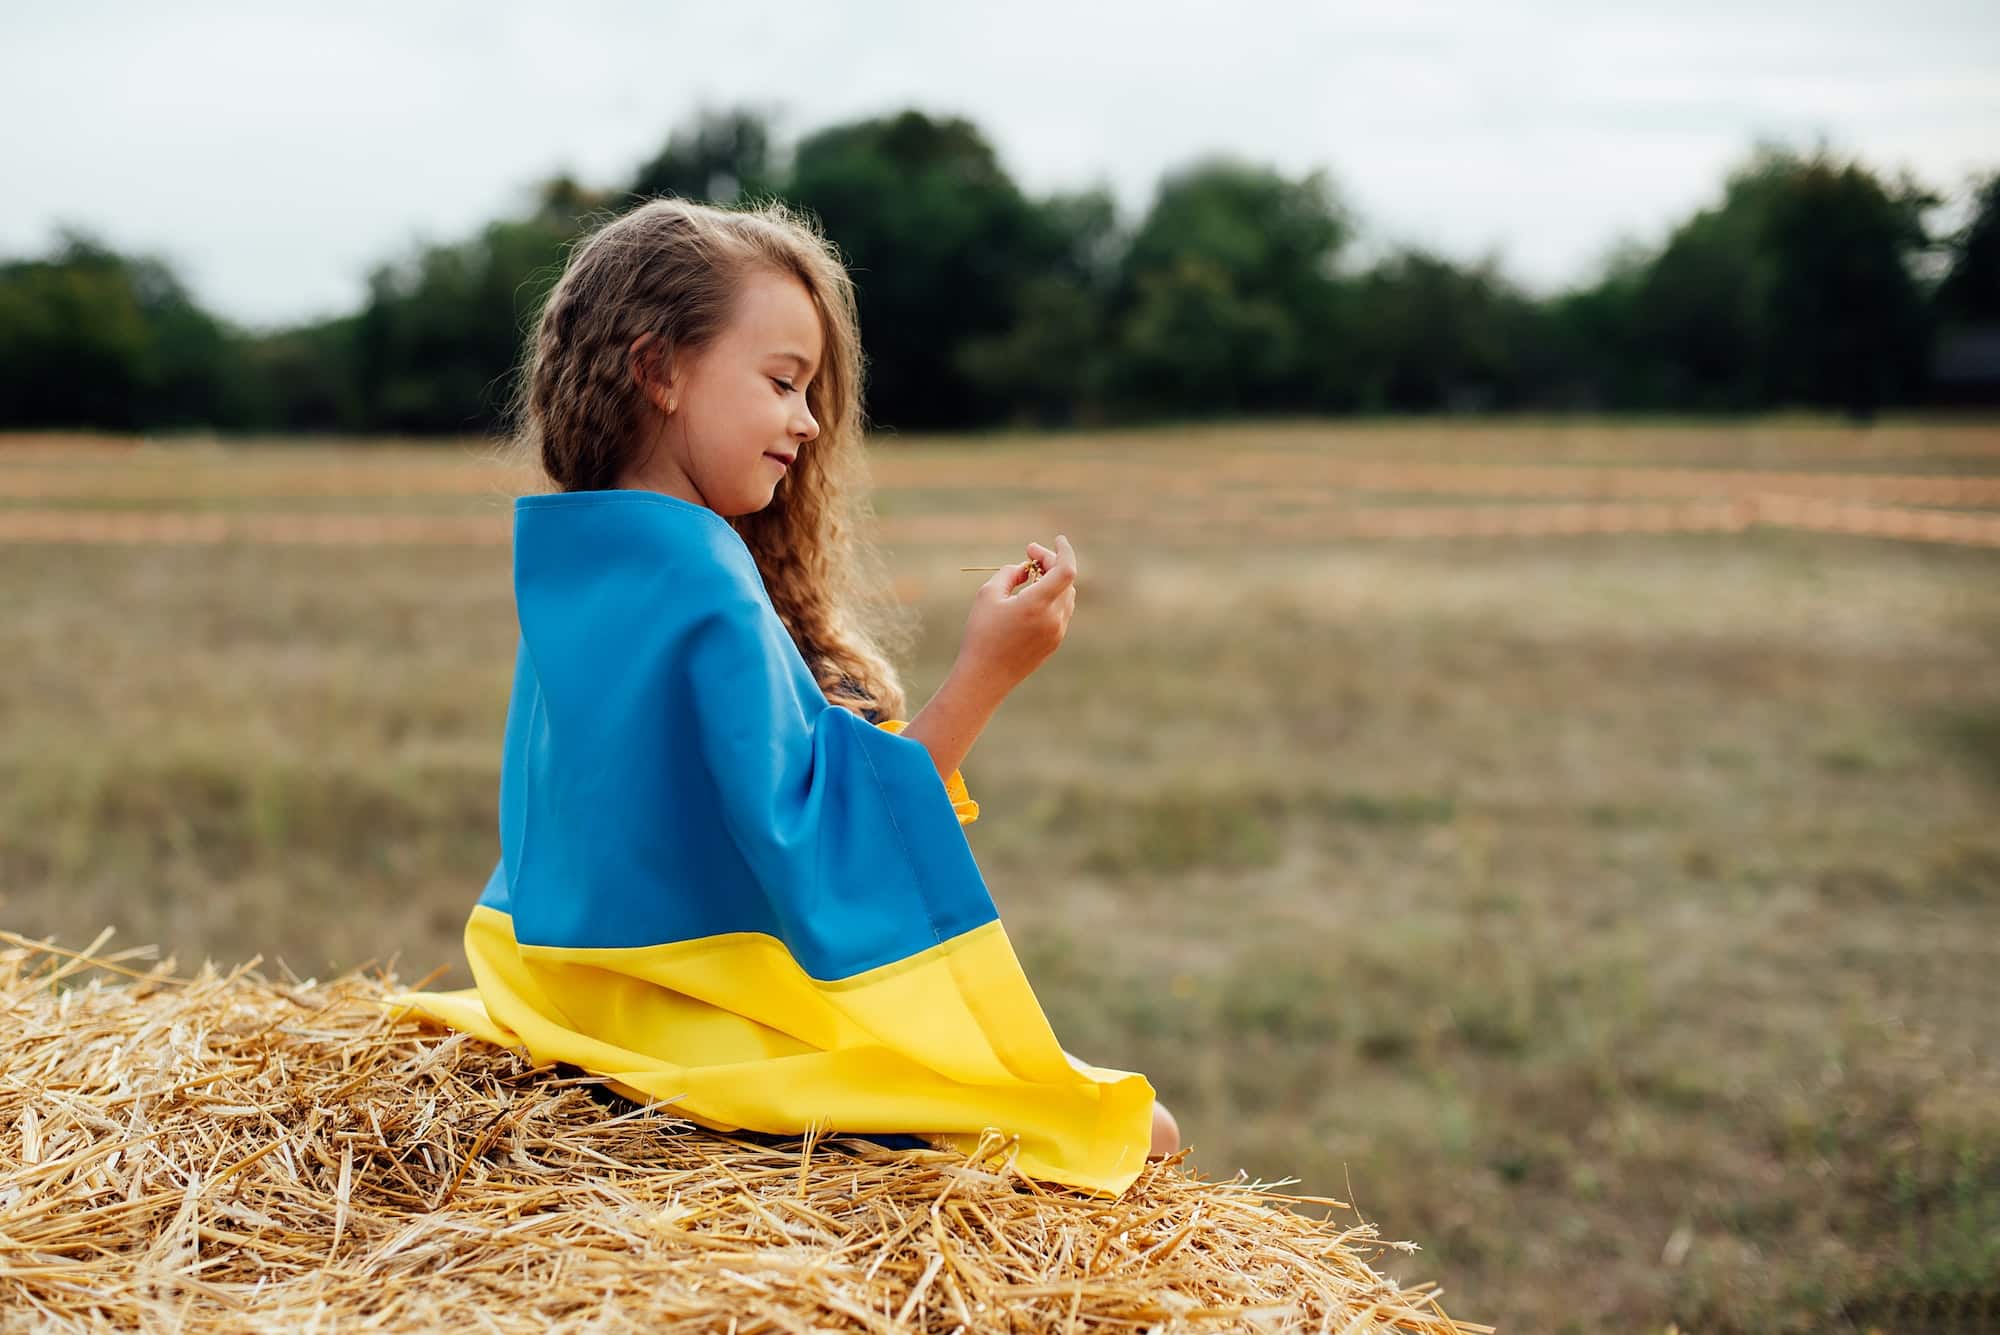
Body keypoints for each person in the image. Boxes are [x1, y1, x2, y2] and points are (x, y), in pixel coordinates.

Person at [395, 196, 1177, 1198]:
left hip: (566, 989)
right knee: (1130, 1130)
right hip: (689, 1026)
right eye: (782, 382)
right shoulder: (702, 577)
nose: (808, 422)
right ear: (658, 371)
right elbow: (821, 838)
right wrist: (986, 672)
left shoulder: (580, 554)